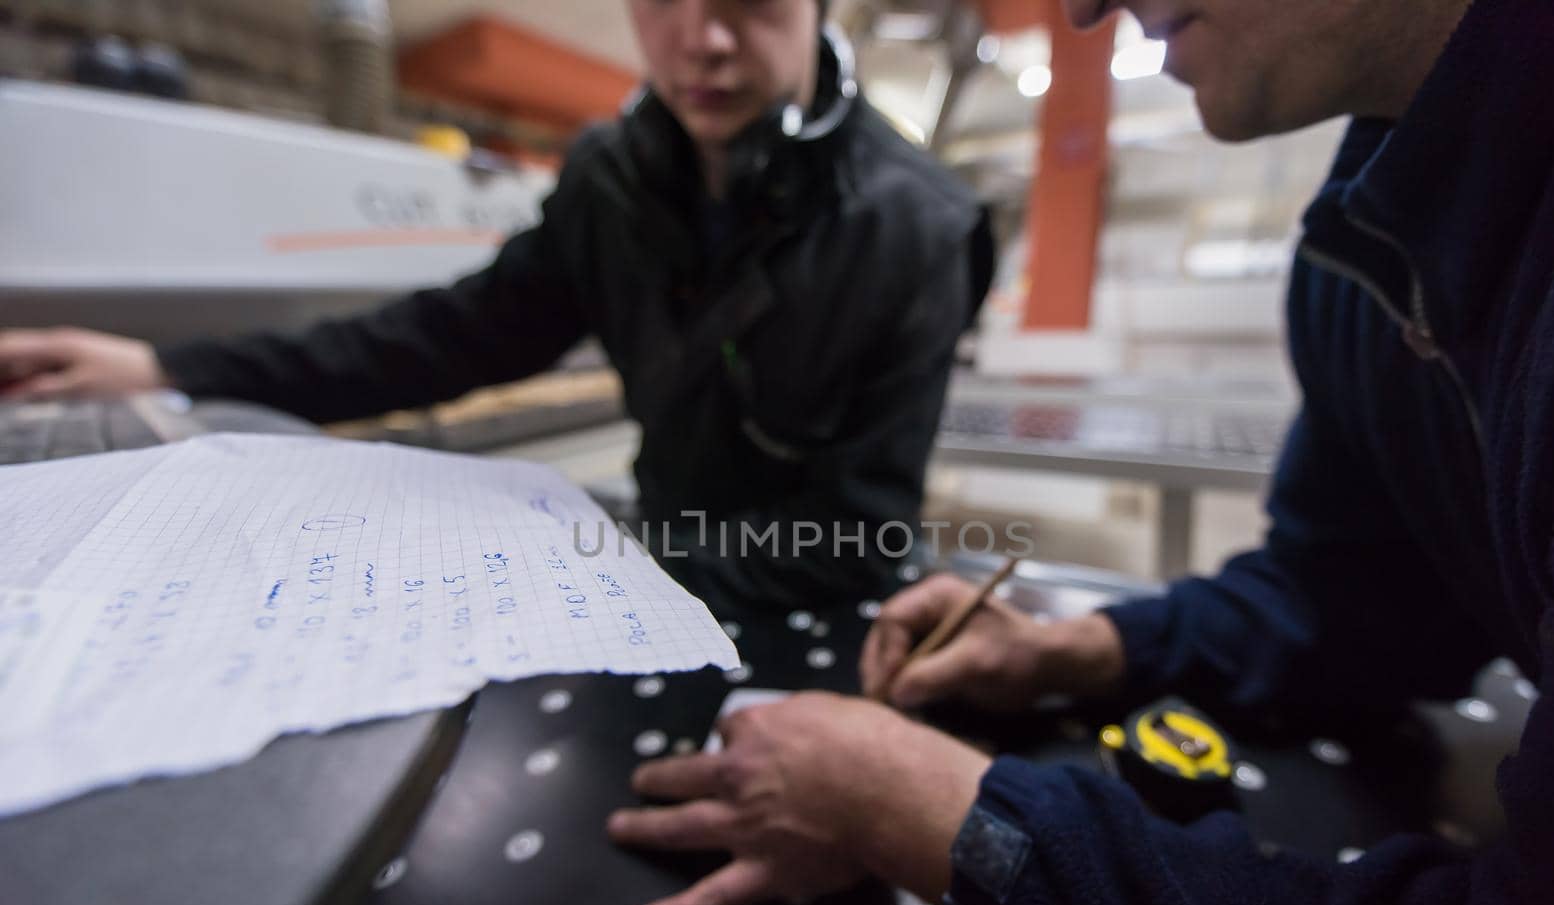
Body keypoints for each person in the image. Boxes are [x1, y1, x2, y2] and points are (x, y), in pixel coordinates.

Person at [605, 0, 1554, 905]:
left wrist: (921, 809)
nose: (1082, 8)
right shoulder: (1365, 243)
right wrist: (1078, 651)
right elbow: (1351, 596)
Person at [0, 0, 993, 607]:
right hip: (649, 557)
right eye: (659, 0)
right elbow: (446, 338)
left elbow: (854, 542)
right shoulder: (611, 177)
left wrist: (577, 565)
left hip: (793, 597)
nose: (702, 40)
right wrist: (172, 368)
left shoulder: (919, 229)